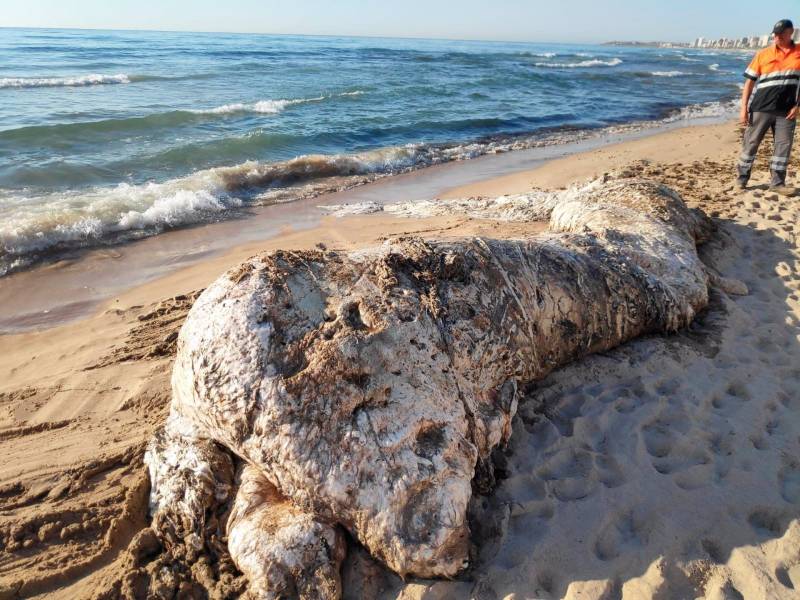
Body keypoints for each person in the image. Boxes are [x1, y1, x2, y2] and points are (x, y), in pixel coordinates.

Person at [738, 19, 800, 195]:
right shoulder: (763, 54)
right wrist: (744, 108)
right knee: (751, 143)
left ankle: (777, 183)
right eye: (775, 34)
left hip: (786, 111)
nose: (777, 37)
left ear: (790, 33)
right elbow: (749, 83)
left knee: (783, 147)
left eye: (781, 34)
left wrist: (797, 106)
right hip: (761, 108)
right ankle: (742, 179)